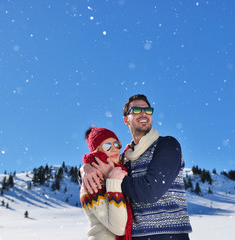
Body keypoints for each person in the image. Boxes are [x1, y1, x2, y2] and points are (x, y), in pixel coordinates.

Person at [81, 94, 192, 239]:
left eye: (148, 110)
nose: (144, 113)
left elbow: (150, 191)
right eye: (137, 110)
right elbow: (102, 161)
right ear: (126, 120)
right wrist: (86, 169)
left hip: (168, 235)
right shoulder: (125, 158)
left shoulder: (167, 145)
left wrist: (111, 176)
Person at [80, 127, 132, 240]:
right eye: (107, 146)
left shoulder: (121, 170)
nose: (114, 149)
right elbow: (119, 228)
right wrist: (113, 182)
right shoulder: (92, 182)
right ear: (97, 151)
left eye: (116, 144)